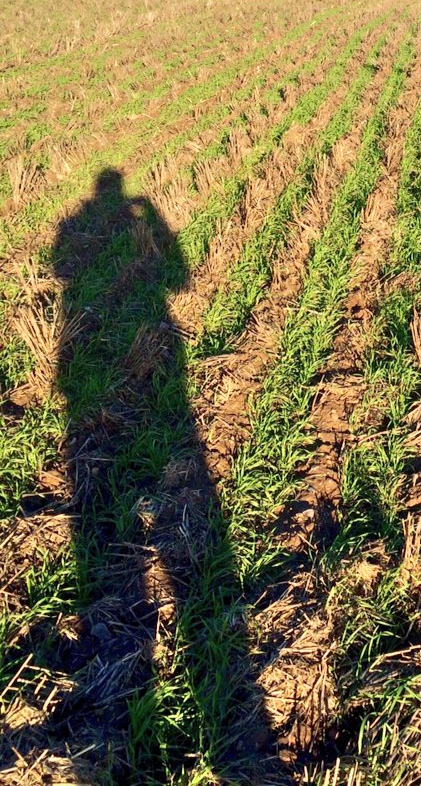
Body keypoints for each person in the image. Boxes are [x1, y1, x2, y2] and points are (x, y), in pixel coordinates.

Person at [31, 167, 286, 781]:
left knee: (105, 501)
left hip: (95, 389)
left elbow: (141, 271)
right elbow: (178, 274)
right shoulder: (115, 229)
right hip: (130, 380)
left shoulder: (80, 226)